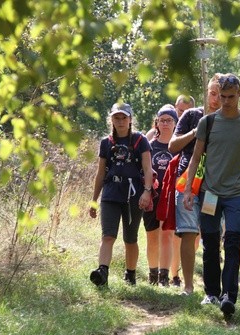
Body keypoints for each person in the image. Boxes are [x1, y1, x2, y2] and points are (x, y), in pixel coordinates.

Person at [183, 73, 240, 318]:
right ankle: (212, 292)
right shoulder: (207, 123)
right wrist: (188, 189)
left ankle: (229, 296)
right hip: (210, 194)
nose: (226, 101)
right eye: (222, 96)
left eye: (231, 97)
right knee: (209, 244)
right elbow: (195, 157)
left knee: (233, 243)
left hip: (237, 195)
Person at [89, 103, 153, 287]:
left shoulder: (140, 140)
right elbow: (100, 173)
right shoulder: (106, 142)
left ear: (130, 119)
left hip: (134, 195)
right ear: (111, 120)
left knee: (130, 238)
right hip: (111, 193)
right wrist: (94, 200)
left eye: (124, 117)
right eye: (116, 118)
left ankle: (130, 274)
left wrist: (147, 192)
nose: (120, 121)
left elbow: (148, 169)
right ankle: (102, 273)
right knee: (108, 236)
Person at [168, 75, 221, 295]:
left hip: (213, 186)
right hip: (187, 183)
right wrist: (194, 132)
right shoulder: (191, 115)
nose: (216, 98)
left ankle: (212, 287)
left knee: (210, 234)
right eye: (212, 92)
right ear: (206, 91)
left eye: (221, 93)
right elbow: (172, 146)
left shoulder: (230, 120)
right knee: (188, 232)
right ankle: (188, 286)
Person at [143, 105, 177, 286]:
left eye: (169, 120)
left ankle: (164, 277)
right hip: (152, 194)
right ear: (156, 123)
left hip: (171, 195)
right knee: (152, 235)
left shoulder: (179, 145)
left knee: (167, 235)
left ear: (175, 123)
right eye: (162, 120)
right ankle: (152, 274)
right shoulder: (149, 146)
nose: (165, 124)